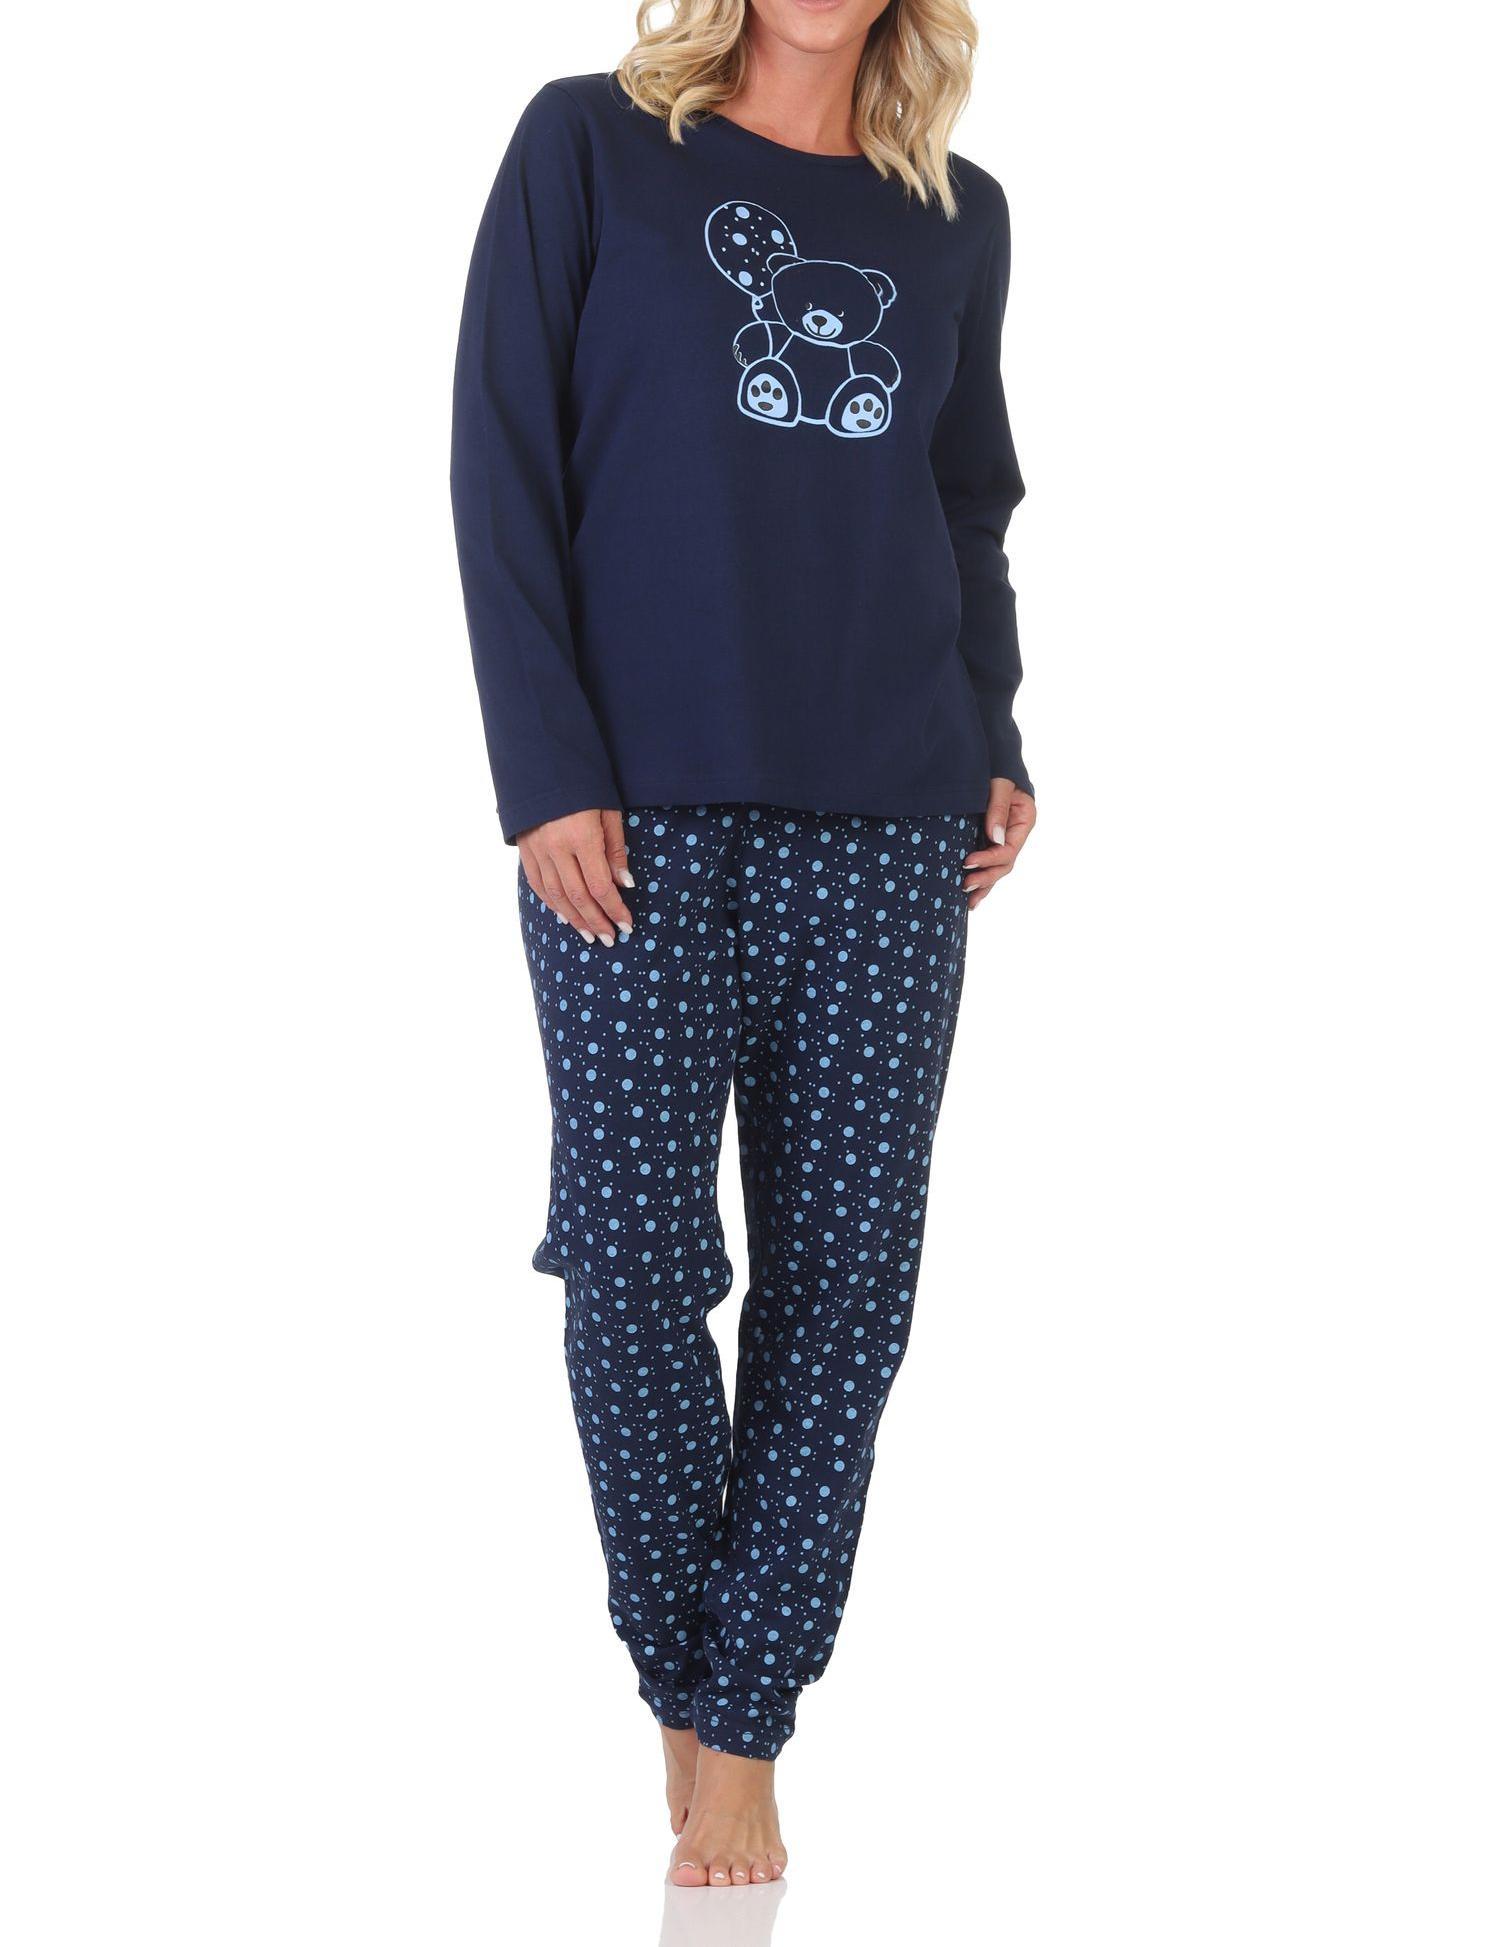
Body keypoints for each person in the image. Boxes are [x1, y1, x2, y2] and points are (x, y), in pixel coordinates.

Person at [451, 0, 1035, 1889]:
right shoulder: (587, 146)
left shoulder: (955, 214)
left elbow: (966, 503)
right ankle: (686, 1683)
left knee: (844, 1288)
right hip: (636, 811)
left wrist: (997, 730)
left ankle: (750, 1723)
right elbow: (501, 464)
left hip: (890, 816)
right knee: (633, 1266)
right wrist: (545, 770)